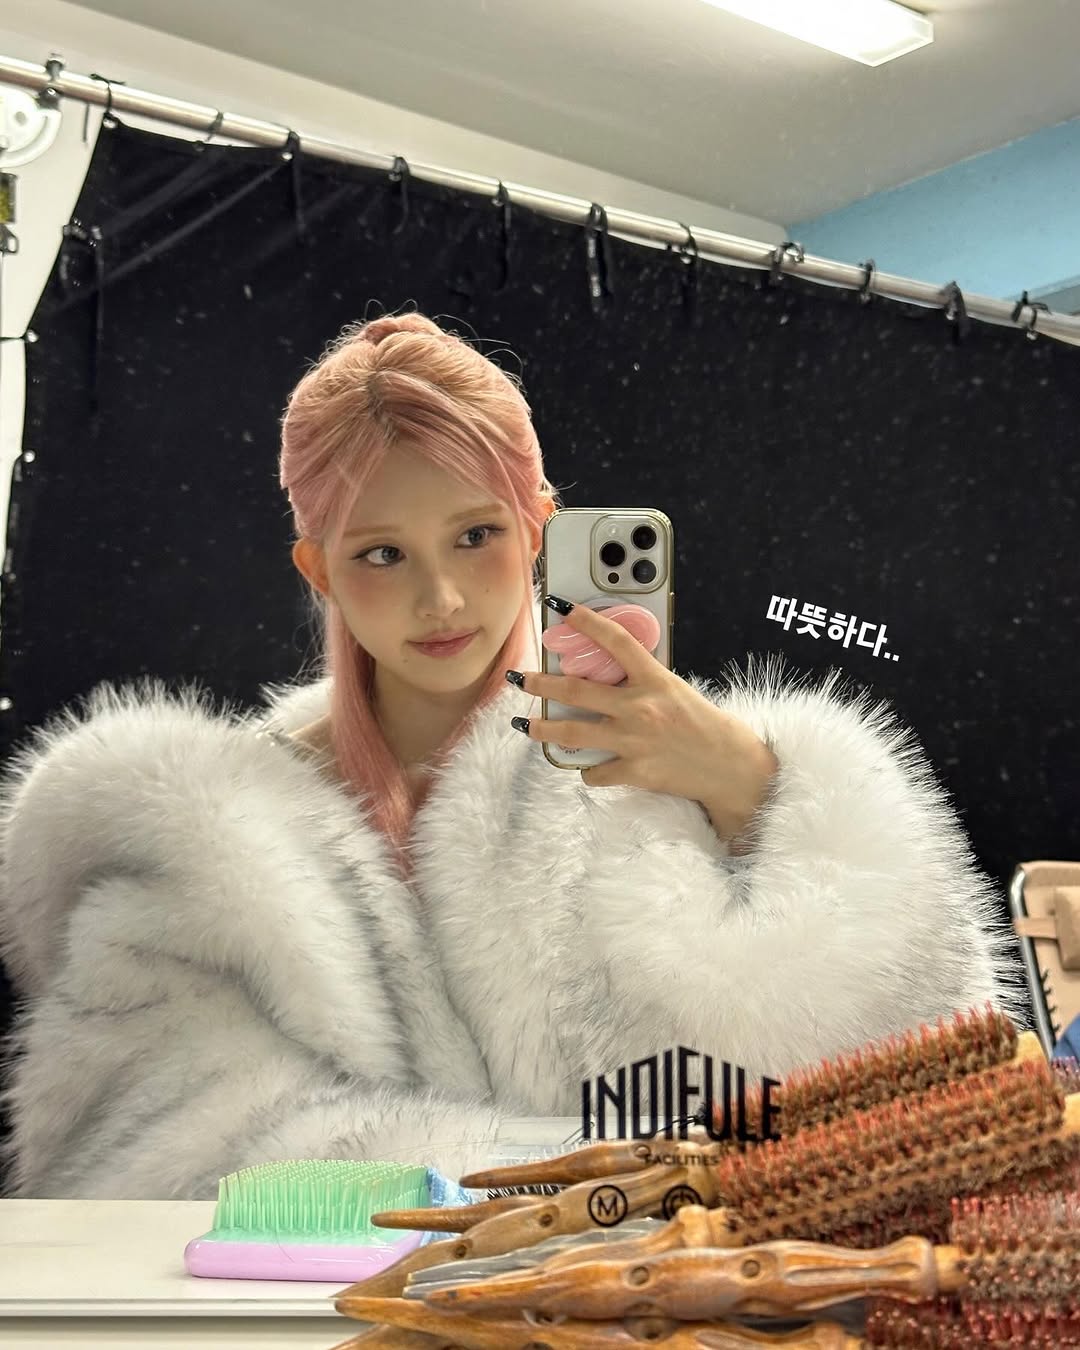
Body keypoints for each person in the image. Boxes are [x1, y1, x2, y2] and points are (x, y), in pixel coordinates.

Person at [0, 312, 1023, 1200]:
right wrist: (568, 1184)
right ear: (319, 569)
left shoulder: (654, 779)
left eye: (477, 535)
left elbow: (918, 1087)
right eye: (382, 553)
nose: (441, 598)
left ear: (539, 529)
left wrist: (752, 788)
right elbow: (156, 1154)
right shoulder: (212, 841)